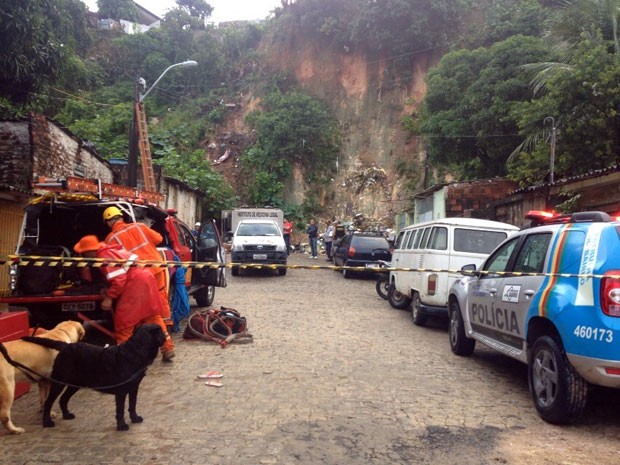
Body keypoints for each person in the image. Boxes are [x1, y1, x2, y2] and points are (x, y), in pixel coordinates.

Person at [73, 235, 175, 361]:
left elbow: (119, 280)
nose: (84, 257)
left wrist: (109, 297)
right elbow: (119, 275)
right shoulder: (110, 250)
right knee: (152, 316)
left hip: (135, 283)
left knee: (124, 323)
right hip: (146, 278)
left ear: (89, 251)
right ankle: (167, 347)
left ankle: (125, 357)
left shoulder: (105, 256)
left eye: (83, 254)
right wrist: (109, 289)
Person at [102, 206, 171, 326]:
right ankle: (166, 324)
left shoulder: (110, 239)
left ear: (108, 222)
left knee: (141, 302)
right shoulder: (140, 226)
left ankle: (144, 328)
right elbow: (159, 239)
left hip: (138, 275)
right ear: (121, 217)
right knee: (159, 296)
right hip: (156, 268)